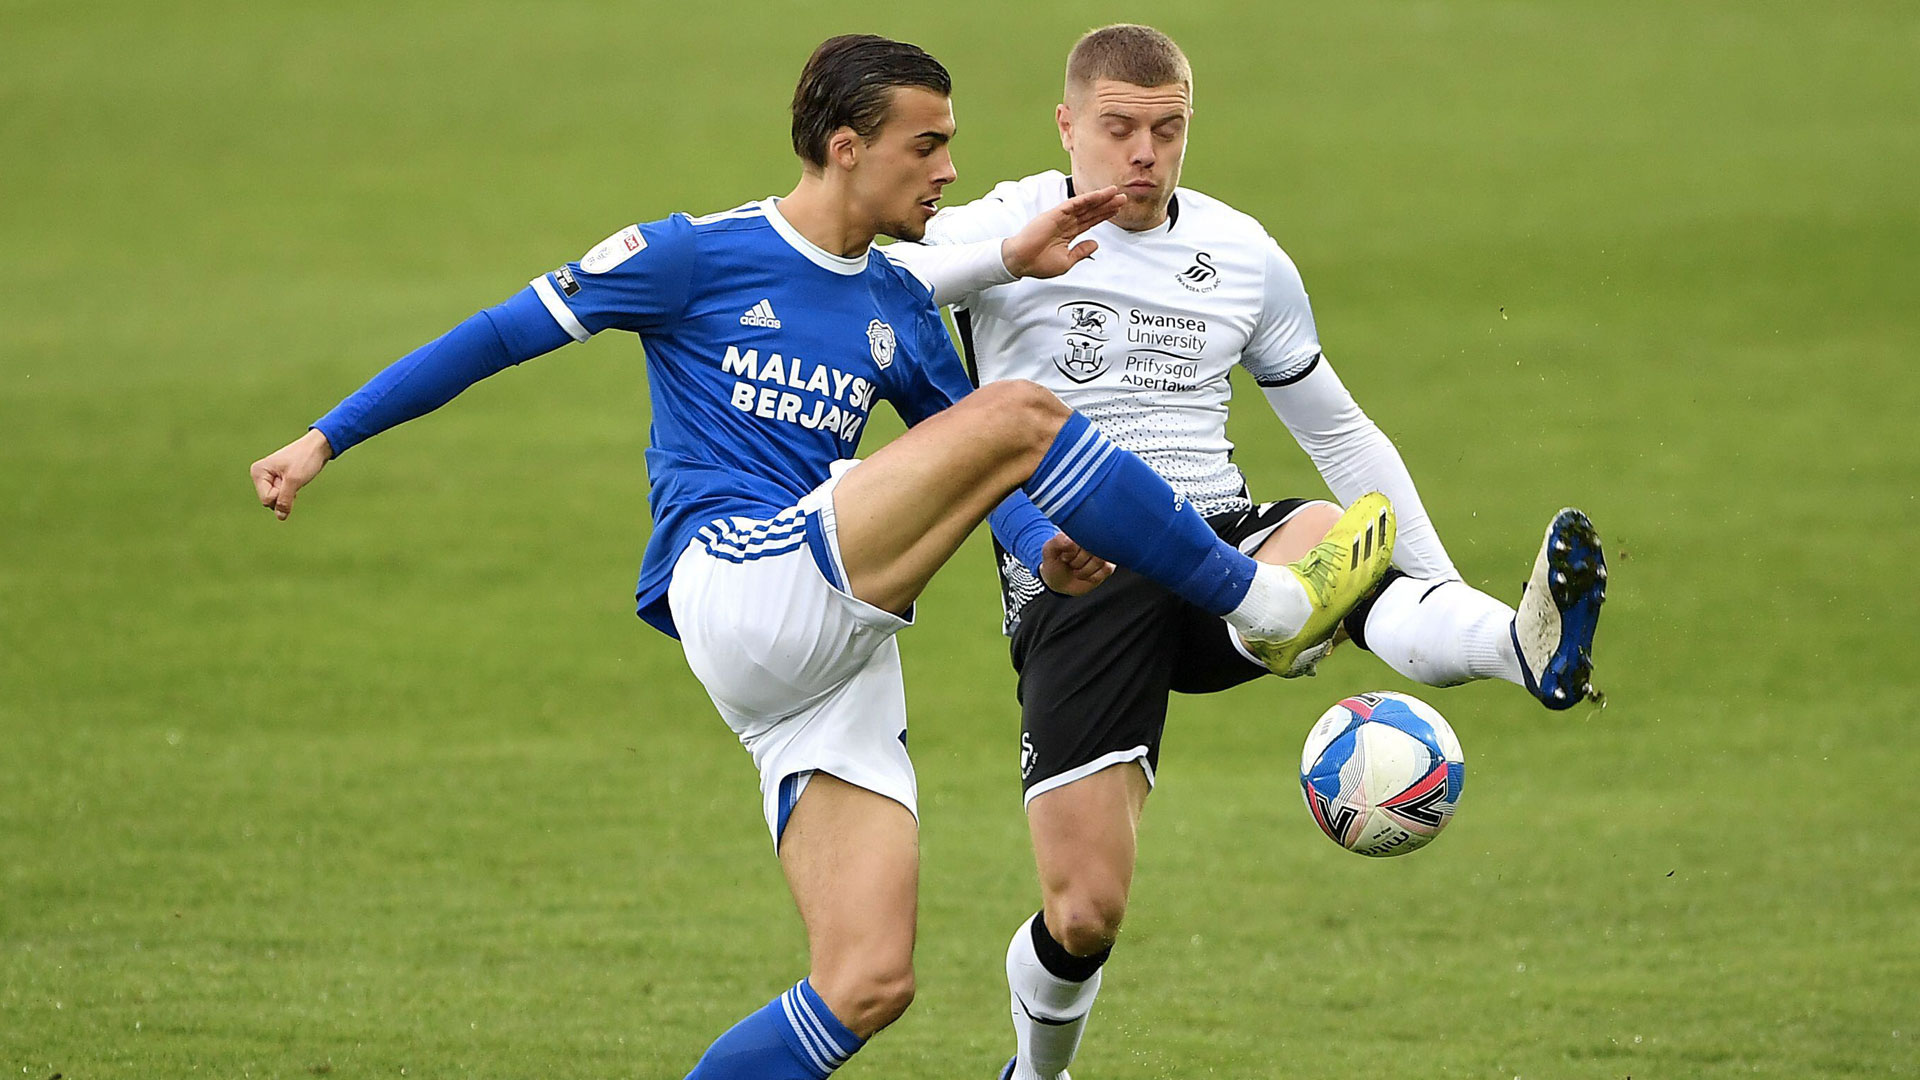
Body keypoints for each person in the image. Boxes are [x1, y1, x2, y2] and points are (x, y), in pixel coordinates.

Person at [246, 35, 1399, 1080]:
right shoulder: (692, 256)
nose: (948, 170)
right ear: (847, 149)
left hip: (828, 662)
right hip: (738, 574)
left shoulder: (893, 299)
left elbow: (982, 463)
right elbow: (496, 336)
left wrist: (1042, 549)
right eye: (927, 145)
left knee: (867, 984)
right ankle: (1263, 598)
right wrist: (323, 437)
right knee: (1025, 409)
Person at [884, 24, 1608, 1080]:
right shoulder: (1006, 217)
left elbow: (1342, 433)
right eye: (1119, 128)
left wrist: (1435, 571)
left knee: (1331, 536)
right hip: (1084, 574)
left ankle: (1513, 642)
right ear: (1067, 124)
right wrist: (1009, 254)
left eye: (1168, 130)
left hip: (1223, 541)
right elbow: (885, 287)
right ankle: (1037, 1072)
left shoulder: (1243, 252)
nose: (1144, 152)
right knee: (1085, 913)